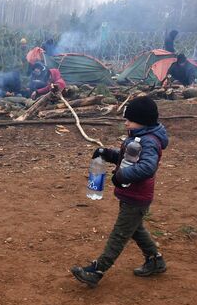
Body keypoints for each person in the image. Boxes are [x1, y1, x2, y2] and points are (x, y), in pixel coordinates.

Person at [71, 96, 169, 287]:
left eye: (129, 120)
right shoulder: (139, 137)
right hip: (131, 195)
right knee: (135, 229)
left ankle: (97, 270)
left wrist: (122, 176)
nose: (126, 123)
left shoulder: (149, 141)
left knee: (120, 234)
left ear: (142, 120)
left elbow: (147, 167)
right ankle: (155, 261)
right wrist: (106, 153)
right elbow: (128, 158)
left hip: (137, 196)